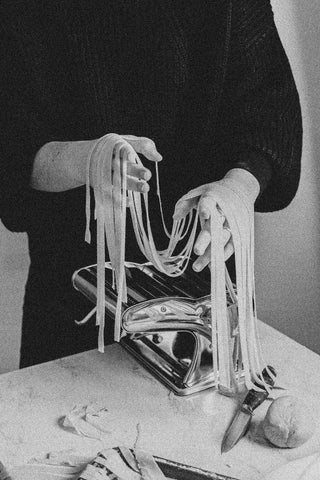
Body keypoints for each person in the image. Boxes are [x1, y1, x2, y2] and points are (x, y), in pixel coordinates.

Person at [0, 0, 302, 368]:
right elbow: (12, 150)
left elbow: (269, 115)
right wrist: (85, 159)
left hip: (205, 288)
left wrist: (237, 187)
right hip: (75, 293)